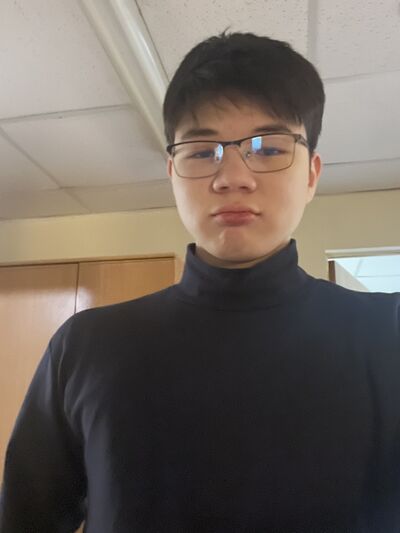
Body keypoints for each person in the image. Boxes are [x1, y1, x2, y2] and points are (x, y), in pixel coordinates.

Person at [0, 31, 399, 533]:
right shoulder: (84, 347)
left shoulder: (388, 335)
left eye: (268, 148)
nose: (232, 176)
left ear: (312, 175)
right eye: (201, 151)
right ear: (172, 173)